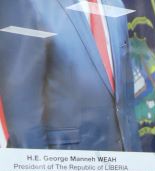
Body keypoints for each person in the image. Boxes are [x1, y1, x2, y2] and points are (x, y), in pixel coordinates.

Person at [0, 0, 142, 151]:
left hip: (124, 166)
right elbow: (23, 118)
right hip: (65, 165)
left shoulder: (116, 5)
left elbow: (125, 104)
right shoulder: (26, 3)